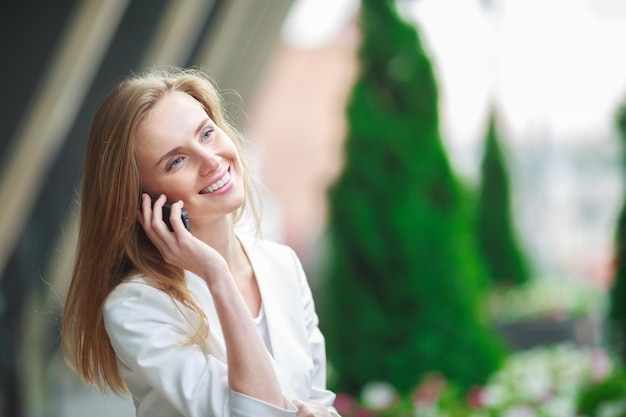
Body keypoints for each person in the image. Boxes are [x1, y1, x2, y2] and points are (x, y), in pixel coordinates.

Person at [61, 67, 340, 417]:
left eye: (207, 134)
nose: (210, 161)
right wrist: (217, 275)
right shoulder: (137, 306)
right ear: (143, 199)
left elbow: (319, 403)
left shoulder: (281, 264)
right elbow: (256, 413)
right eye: (176, 161)